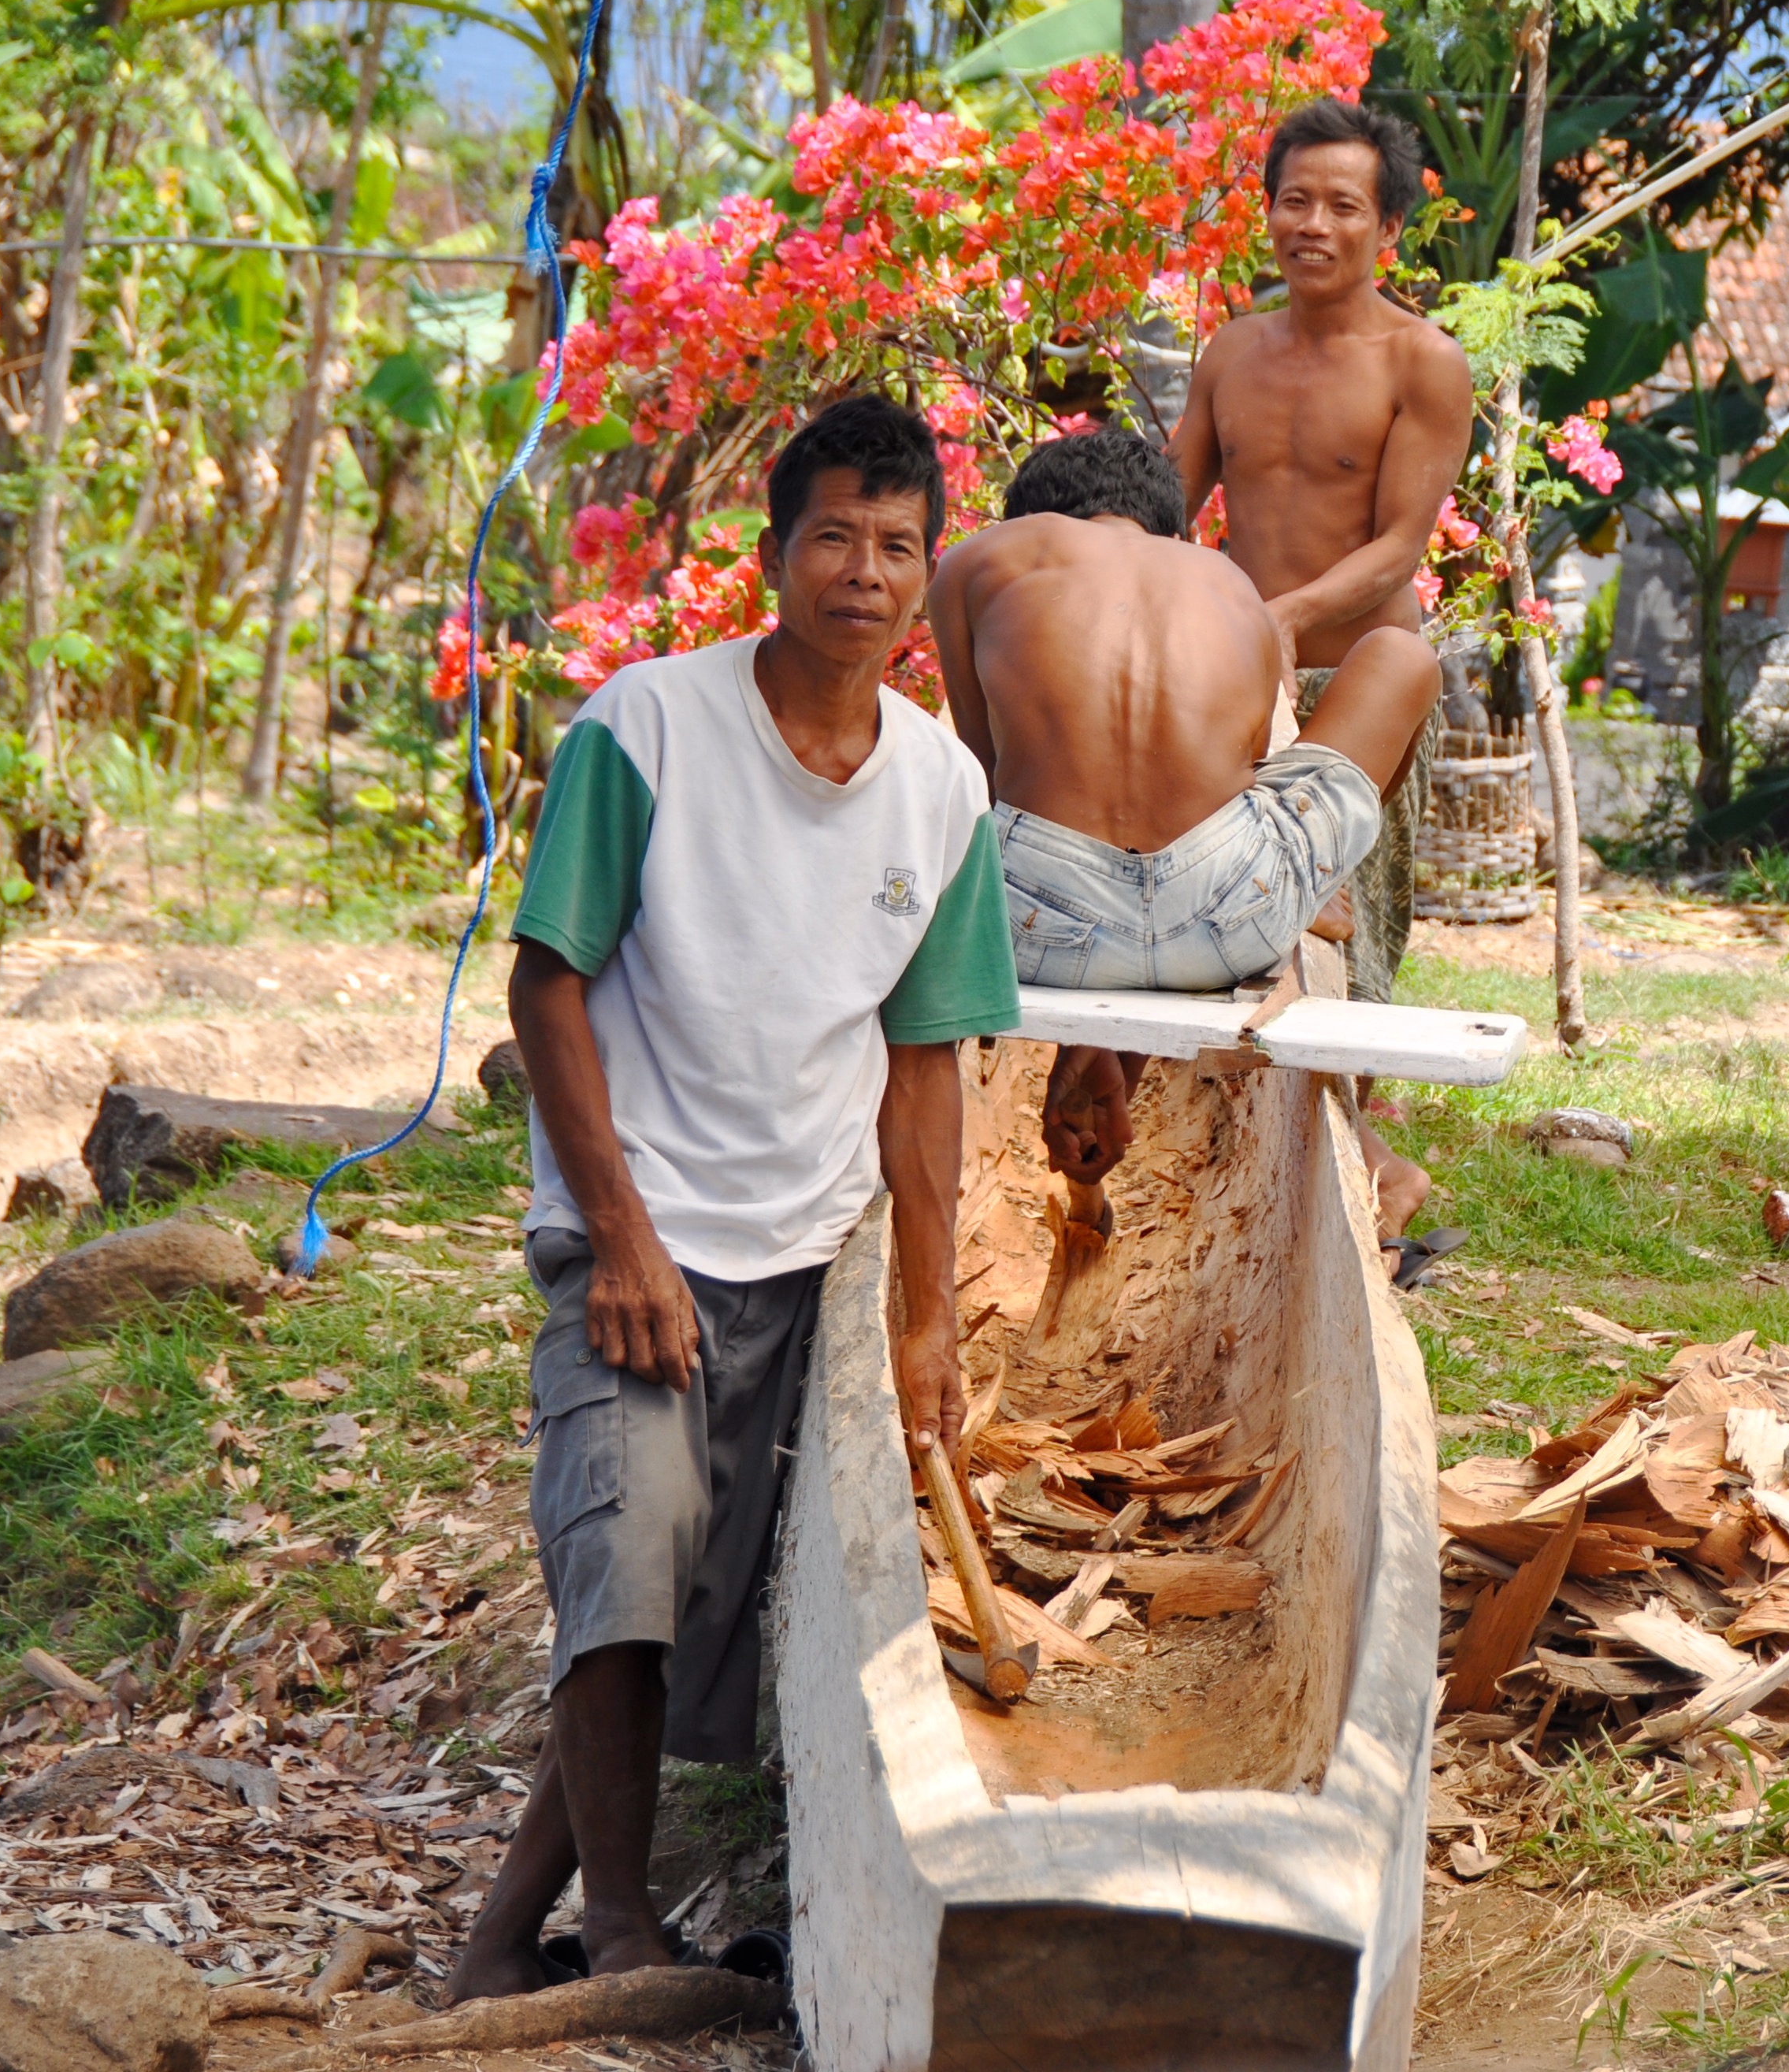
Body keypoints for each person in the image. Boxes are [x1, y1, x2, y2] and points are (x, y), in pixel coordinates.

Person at [451, 395, 1019, 2002]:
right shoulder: (645, 727)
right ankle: (619, 1935)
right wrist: (618, 1232)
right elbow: (545, 986)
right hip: (637, 1238)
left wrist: (920, 1321)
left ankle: (503, 1938)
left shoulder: (940, 791)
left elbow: (925, 1067)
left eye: (897, 545)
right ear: (773, 555)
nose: (863, 569)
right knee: (623, 1570)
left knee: (675, 1609)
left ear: (925, 578)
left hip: (800, 1253)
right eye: (831, 534)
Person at [927, 426, 1438, 1189]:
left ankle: (1281, 905)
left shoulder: (978, 560)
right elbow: (1241, 786)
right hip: (1235, 918)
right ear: (1172, 528)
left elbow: (985, 782)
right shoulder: (1226, 584)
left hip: (1034, 927)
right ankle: (1319, 890)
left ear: (1028, 514)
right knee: (1403, 654)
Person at [1173, 98, 1472, 1235]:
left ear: (1387, 228)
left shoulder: (1424, 363)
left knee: (1350, 951)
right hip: (1239, 694)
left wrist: (1277, 621)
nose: (1314, 223)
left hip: (1366, 695)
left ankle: (1363, 1174)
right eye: (1294, 199)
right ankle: (1331, 1172)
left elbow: (1401, 544)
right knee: (1228, 930)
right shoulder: (1232, 351)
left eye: (1343, 204)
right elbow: (1173, 503)